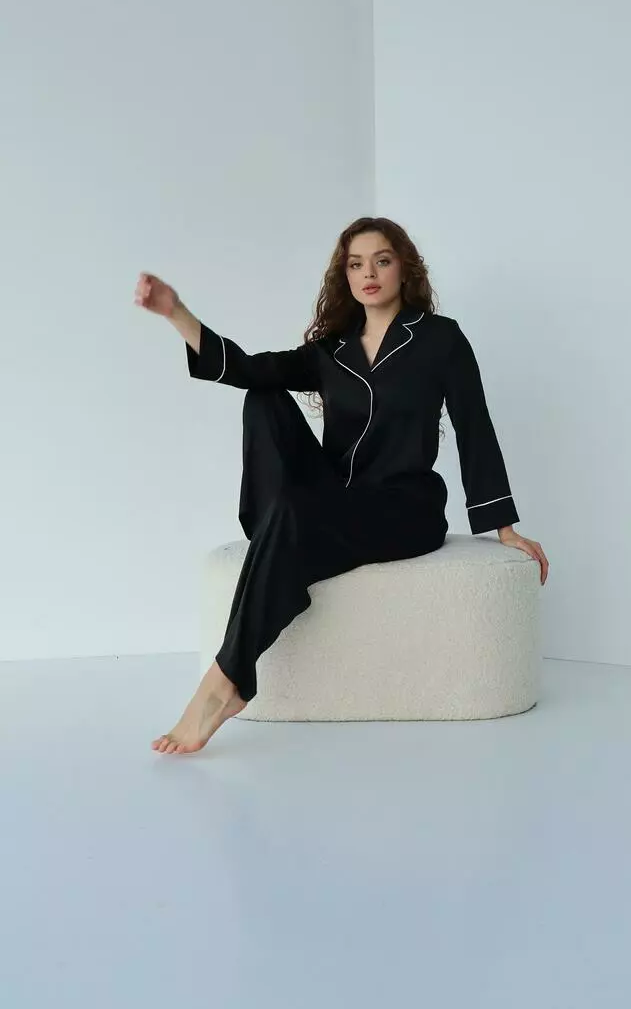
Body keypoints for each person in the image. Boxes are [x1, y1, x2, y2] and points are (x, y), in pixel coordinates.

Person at [134, 216, 549, 755]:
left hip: (405, 507)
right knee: (263, 394)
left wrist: (504, 527)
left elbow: (475, 427)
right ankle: (276, 528)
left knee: (297, 509)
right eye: (356, 264)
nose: (368, 273)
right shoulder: (332, 351)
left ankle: (223, 683)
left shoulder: (440, 339)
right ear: (345, 276)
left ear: (404, 268)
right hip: (335, 498)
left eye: (382, 260)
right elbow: (245, 368)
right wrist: (176, 312)